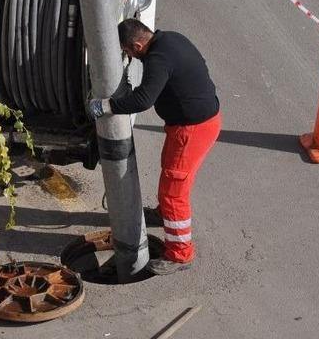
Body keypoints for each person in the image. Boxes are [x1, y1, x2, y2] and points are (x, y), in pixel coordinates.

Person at [89, 19, 221, 275]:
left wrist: (106, 106)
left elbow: (143, 99)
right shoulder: (171, 39)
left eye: (128, 52)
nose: (130, 57)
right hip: (196, 123)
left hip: (192, 131)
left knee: (174, 192)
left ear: (138, 44)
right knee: (169, 176)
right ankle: (164, 216)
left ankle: (180, 253)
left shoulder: (158, 59)